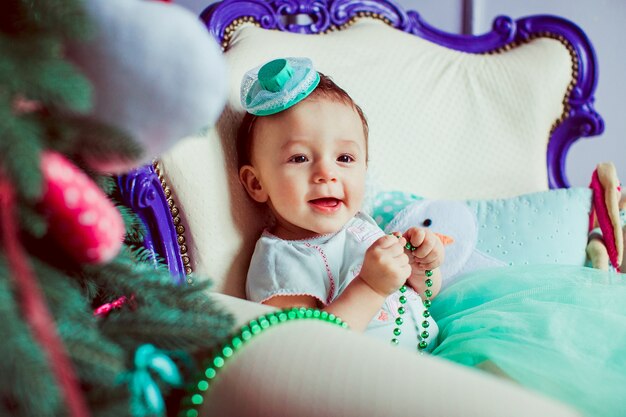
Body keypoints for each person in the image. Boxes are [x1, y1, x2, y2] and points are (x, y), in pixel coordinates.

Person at [237, 57, 445, 351]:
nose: (327, 174)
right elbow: (305, 352)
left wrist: (422, 268)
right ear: (257, 183)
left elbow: (423, 295)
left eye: (344, 158)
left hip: (434, 355)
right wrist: (370, 287)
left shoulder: (359, 226)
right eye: (299, 158)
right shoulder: (281, 263)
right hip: (365, 382)